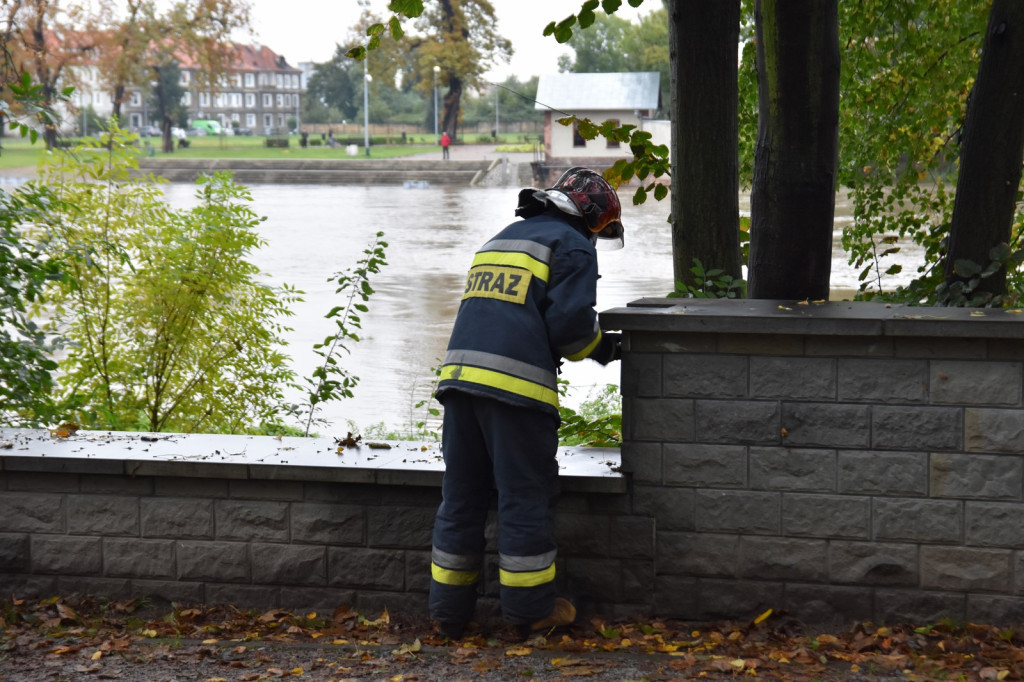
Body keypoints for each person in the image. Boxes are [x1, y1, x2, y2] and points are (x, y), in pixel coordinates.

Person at [429, 167, 625, 640]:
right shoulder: (572, 245)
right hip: (514, 395)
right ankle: (529, 612)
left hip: (458, 386)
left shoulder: (502, 238)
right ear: (591, 217)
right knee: (523, 499)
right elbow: (572, 329)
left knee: (460, 499)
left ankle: (449, 614)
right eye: (601, 228)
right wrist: (608, 349)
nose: (597, 238)